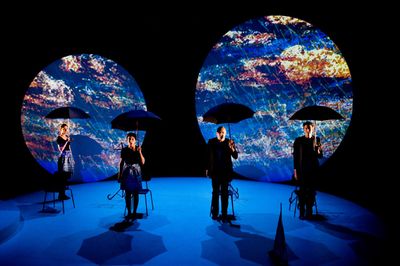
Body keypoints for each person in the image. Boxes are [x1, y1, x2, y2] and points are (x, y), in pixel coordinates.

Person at [206, 126, 238, 221]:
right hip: (215, 173)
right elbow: (208, 157)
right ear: (217, 133)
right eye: (220, 132)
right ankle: (215, 214)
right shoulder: (211, 142)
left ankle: (224, 214)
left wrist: (232, 148)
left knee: (224, 194)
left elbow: (235, 156)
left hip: (225, 173)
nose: (222, 134)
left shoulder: (229, 142)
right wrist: (207, 169)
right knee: (215, 193)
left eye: (223, 132)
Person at [293, 121, 323, 220]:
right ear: (303, 129)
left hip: (313, 170)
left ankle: (309, 211)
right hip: (302, 170)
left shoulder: (317, 140)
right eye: (306, 128)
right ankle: (302, 212)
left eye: (309, 127)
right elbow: (296, 157)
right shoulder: (298, 140)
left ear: (313, 128)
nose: (308, 129)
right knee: (302, 191)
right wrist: (295, 171)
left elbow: (320, 156)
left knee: (311, 191)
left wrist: (318, 150)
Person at [118, 132, 145, 220]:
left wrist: (140, 152)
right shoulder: (124, 150)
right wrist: (119, 174)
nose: (130, 140)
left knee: (136, 193)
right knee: (128, 194)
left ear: (135, 140)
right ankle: (129, 212)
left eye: (132, 139)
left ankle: (134, 212)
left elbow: (143, 162)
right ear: (127, 140)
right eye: (129, 139)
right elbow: (121, 163)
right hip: (127, 172)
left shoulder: (138, 149)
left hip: (136, 172)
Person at [56, 123, 74, 200]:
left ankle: (63, 193)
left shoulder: (67, 136)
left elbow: (69, 148)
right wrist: (66, 141)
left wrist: (72, 158)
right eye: (64, 128)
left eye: (67, 128)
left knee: (67, 175)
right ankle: (61, 194)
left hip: (68, 156)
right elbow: (61, 149)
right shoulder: (59, 138)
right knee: (62, 175)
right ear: (61, 129)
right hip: (63, 157)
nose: (66, 130)